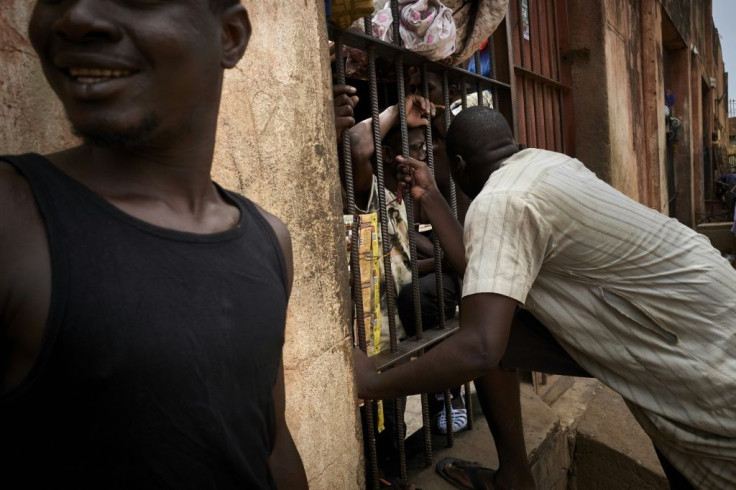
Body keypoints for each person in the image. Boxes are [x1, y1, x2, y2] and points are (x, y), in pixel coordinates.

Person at [0, 1, 307, 488]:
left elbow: (270, 446)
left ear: (229, 36)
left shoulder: (268, 239)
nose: (76, 18)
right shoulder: (13, 220)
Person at [355, 106, 736, 489]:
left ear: (458, 164)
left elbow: (478, 349)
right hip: (708, 312)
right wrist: (432, 196)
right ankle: (514, 478)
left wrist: (371, 383)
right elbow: (482, 274)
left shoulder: (501, 199)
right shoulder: (550, 165)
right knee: (504, 338)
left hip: (704, 357)